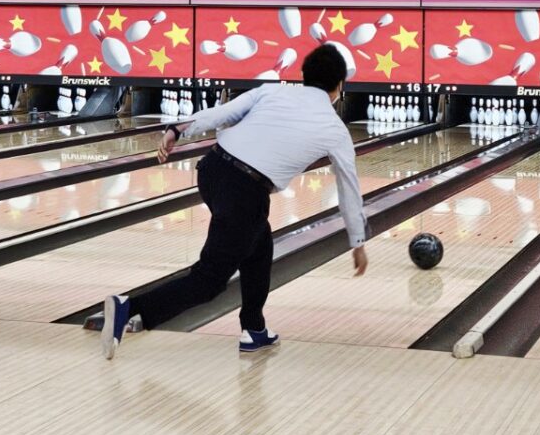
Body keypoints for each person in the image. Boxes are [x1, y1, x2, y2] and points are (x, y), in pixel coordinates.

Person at [102, 43, 368, 359]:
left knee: (259, 246)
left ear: (303, 75)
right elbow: (348, 189)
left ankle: (254, 329)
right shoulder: (334, 129)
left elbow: (222, 113)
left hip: (212, 169)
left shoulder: (272, 91)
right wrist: (358, 241)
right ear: (340, 85)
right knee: (210, 280)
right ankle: (129, 308)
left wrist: (178, 129)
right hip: (245, 190)